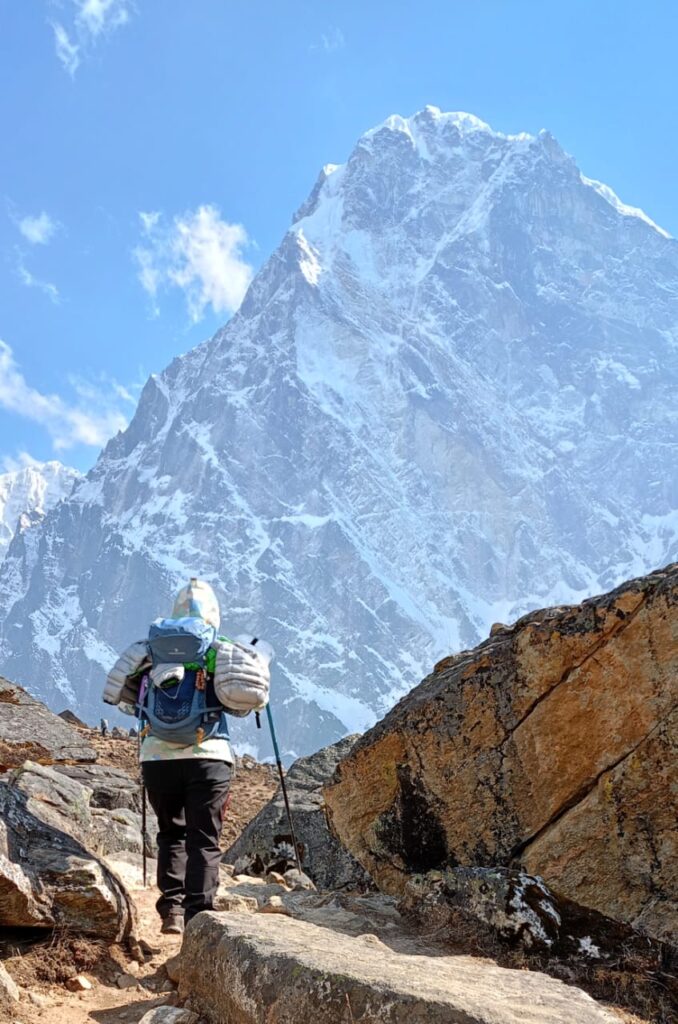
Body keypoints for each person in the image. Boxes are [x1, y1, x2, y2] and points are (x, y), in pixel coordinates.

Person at [103, 578, 270, 935]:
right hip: (209, 755)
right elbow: (243, 703)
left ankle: (172, 912)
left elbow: (126, 699)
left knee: (170, 833)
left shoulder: (151, 647)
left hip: (157, 758)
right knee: (204, 839)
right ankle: (199, 917)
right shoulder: (217, 648)